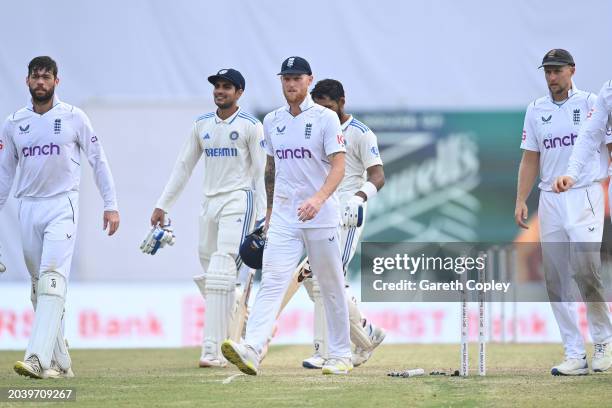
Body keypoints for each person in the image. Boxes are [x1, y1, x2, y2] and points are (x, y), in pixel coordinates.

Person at [221, 56, 353, 375]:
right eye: (286, 78)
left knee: (330, 284)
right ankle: (252, 348)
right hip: (283, 216)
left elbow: (339, 166)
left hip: (319, 215)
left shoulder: (325, 118)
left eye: (297, 78)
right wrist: (268, 212)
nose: (291, 84)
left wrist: (319, 199)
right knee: (273, 281)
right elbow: (272, 168)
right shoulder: (272, 120)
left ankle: (340, 355)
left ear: (309, 81)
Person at [0, 56, 120, 378]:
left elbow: (98, 160)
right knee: (40, 287)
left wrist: (111, 204)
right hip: (28, 207)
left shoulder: (73, 117)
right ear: (27, 81)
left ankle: (37, 358)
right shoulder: (13, 123)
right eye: (35, 77)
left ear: (57, 81)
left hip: (62, 205)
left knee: (53, 277)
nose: (41, 82)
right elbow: (3, 175)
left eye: (46, 77)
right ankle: (62, 363)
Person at [150, 68, 265, 367]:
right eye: (217, 86)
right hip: (209, 203)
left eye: (227, 87)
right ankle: (239, 313)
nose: (220, 91)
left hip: (239, 200)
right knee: (212, 275)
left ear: (239, 92)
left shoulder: (252, 126)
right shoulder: (201, 125)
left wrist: (263, 218)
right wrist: (163, 204)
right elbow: (183, 167)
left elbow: (259, 174)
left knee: (220, 272)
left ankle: (212, 351)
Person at [515, 49, 612, 375]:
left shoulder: (591, 104)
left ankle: (603, 341)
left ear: (572, 70)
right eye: (548, 71)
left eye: (557, 70)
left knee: (586, 270)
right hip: (550, 199)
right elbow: (530, 158)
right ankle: (574, 353)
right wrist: (521, 199)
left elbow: (608, 150)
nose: (552, 77)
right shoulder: (535, 109)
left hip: (585, 192)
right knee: (555, 279)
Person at [299, 79, 386, 369]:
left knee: (328, 278)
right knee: (313, 279)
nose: (324, 112)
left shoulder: (361, 133)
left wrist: (359, 197)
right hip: (321, 211)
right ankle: (366, 335)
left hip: (349, 212)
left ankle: (324, 351)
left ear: (342, 102)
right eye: (319, 106)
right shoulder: (313, 128)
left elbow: (378, 176)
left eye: (329, 106)